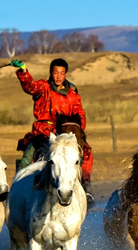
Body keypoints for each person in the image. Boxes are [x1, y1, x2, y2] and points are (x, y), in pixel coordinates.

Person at [10, 57, 95, 204]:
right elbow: (30, 86)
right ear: (51, 72)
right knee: (28, 156)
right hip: (43, 133)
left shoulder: (73, 96)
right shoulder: (43, 87)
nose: (58, 76)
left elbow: (80, 115)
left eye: (62, 73)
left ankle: (85, 187)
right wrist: (23, 71)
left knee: (86, 151)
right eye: (56, 72)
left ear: (66, 74)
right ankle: (17, 191)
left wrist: (77, 130)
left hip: (65, 134)